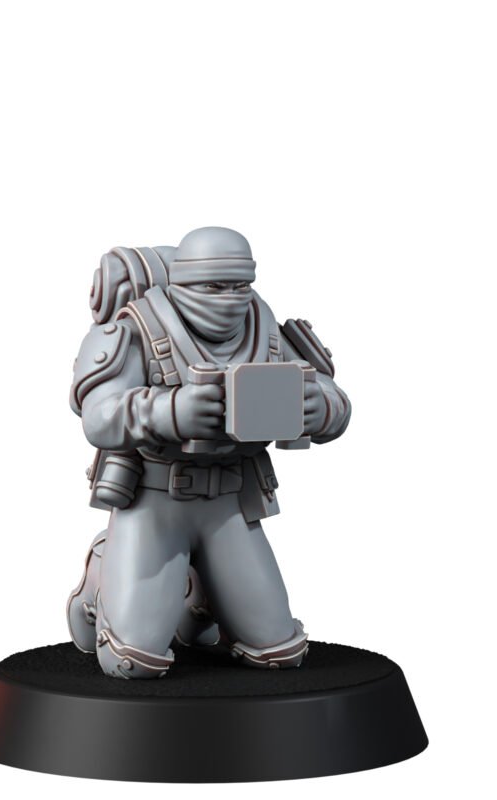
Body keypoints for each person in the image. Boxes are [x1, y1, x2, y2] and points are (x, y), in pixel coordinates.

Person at [68, 227, 351, 678]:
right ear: (182, 281)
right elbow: (98, 417)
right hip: (154, 503)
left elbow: (331, 395)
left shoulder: (264, 328)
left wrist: (321, 407)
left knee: (279, 652)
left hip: (230, 505)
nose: (231, 298)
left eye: (240, 284)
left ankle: (198, 595)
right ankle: (104, 573)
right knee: (131, 663)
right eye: (215, 286)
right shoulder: (133, 330)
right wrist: (170, 411)